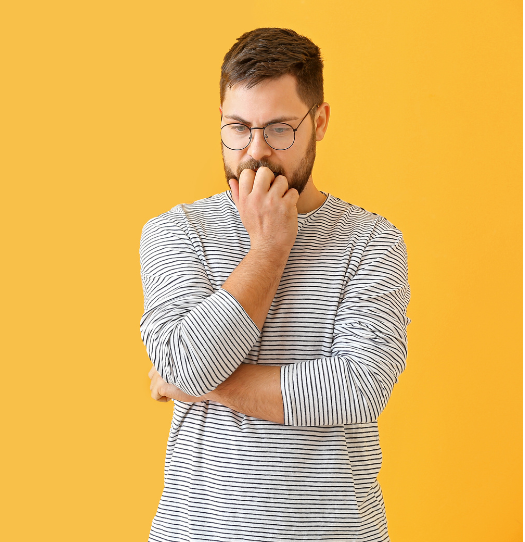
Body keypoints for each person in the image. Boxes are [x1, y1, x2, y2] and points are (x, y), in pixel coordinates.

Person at [140, 27, 411, 542]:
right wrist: (269, 248)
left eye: (279, 129)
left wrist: (198, 385)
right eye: (239, 128)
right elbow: (185, 363)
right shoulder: (177, 232)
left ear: (320, 121)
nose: (255, 152)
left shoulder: (372, 242)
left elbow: (356, 388)